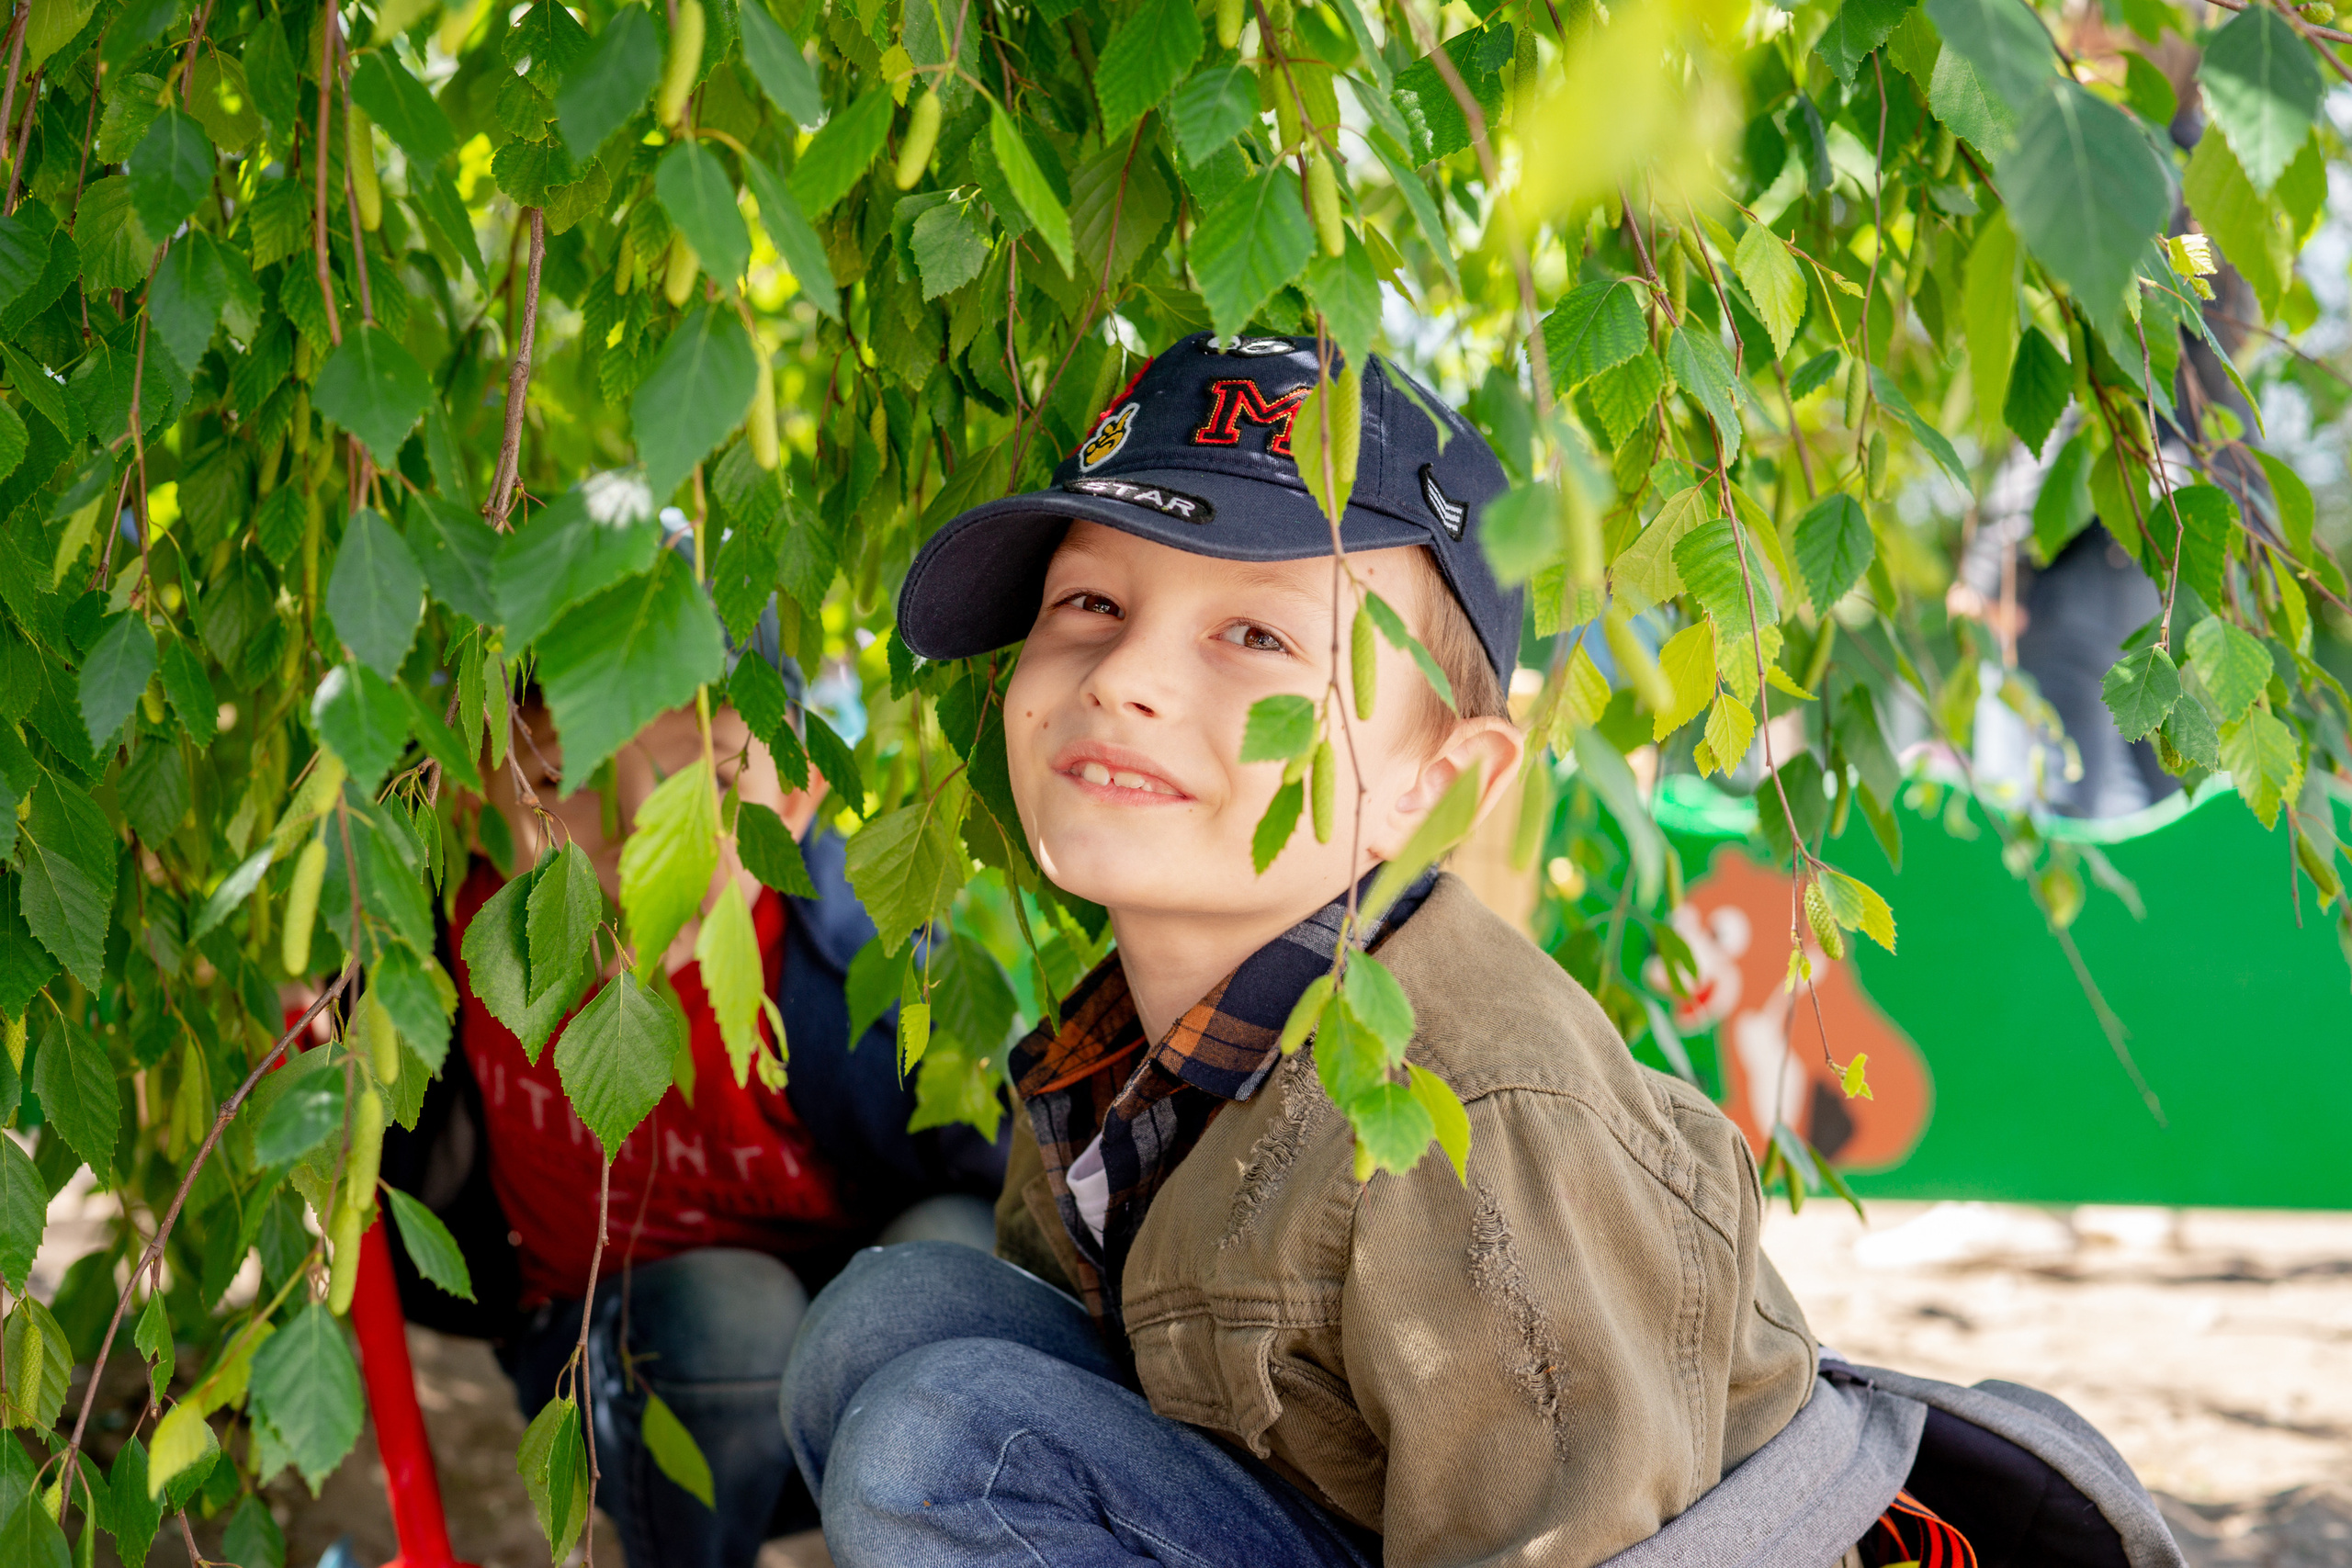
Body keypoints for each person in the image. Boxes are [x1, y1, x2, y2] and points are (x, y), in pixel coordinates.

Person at [775, 333, 2184, 1568]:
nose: (1128, 674)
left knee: (940, 1437)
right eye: (1091, 604)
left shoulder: (1477, 1126)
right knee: (889, 1316)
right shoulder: (1144, 1044)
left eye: (1257, 633)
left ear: (1438, 783)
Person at [383, 603, 1007, 1568]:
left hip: (854, 1387)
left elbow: (1012, 1187)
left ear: (794, 803)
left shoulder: (863, 982)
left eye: (707, 780)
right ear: (472, 804)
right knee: (730, 1311)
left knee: (963, 1256)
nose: (644, 837)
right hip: (628, 1372)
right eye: (566, 779)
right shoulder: (434, 959)